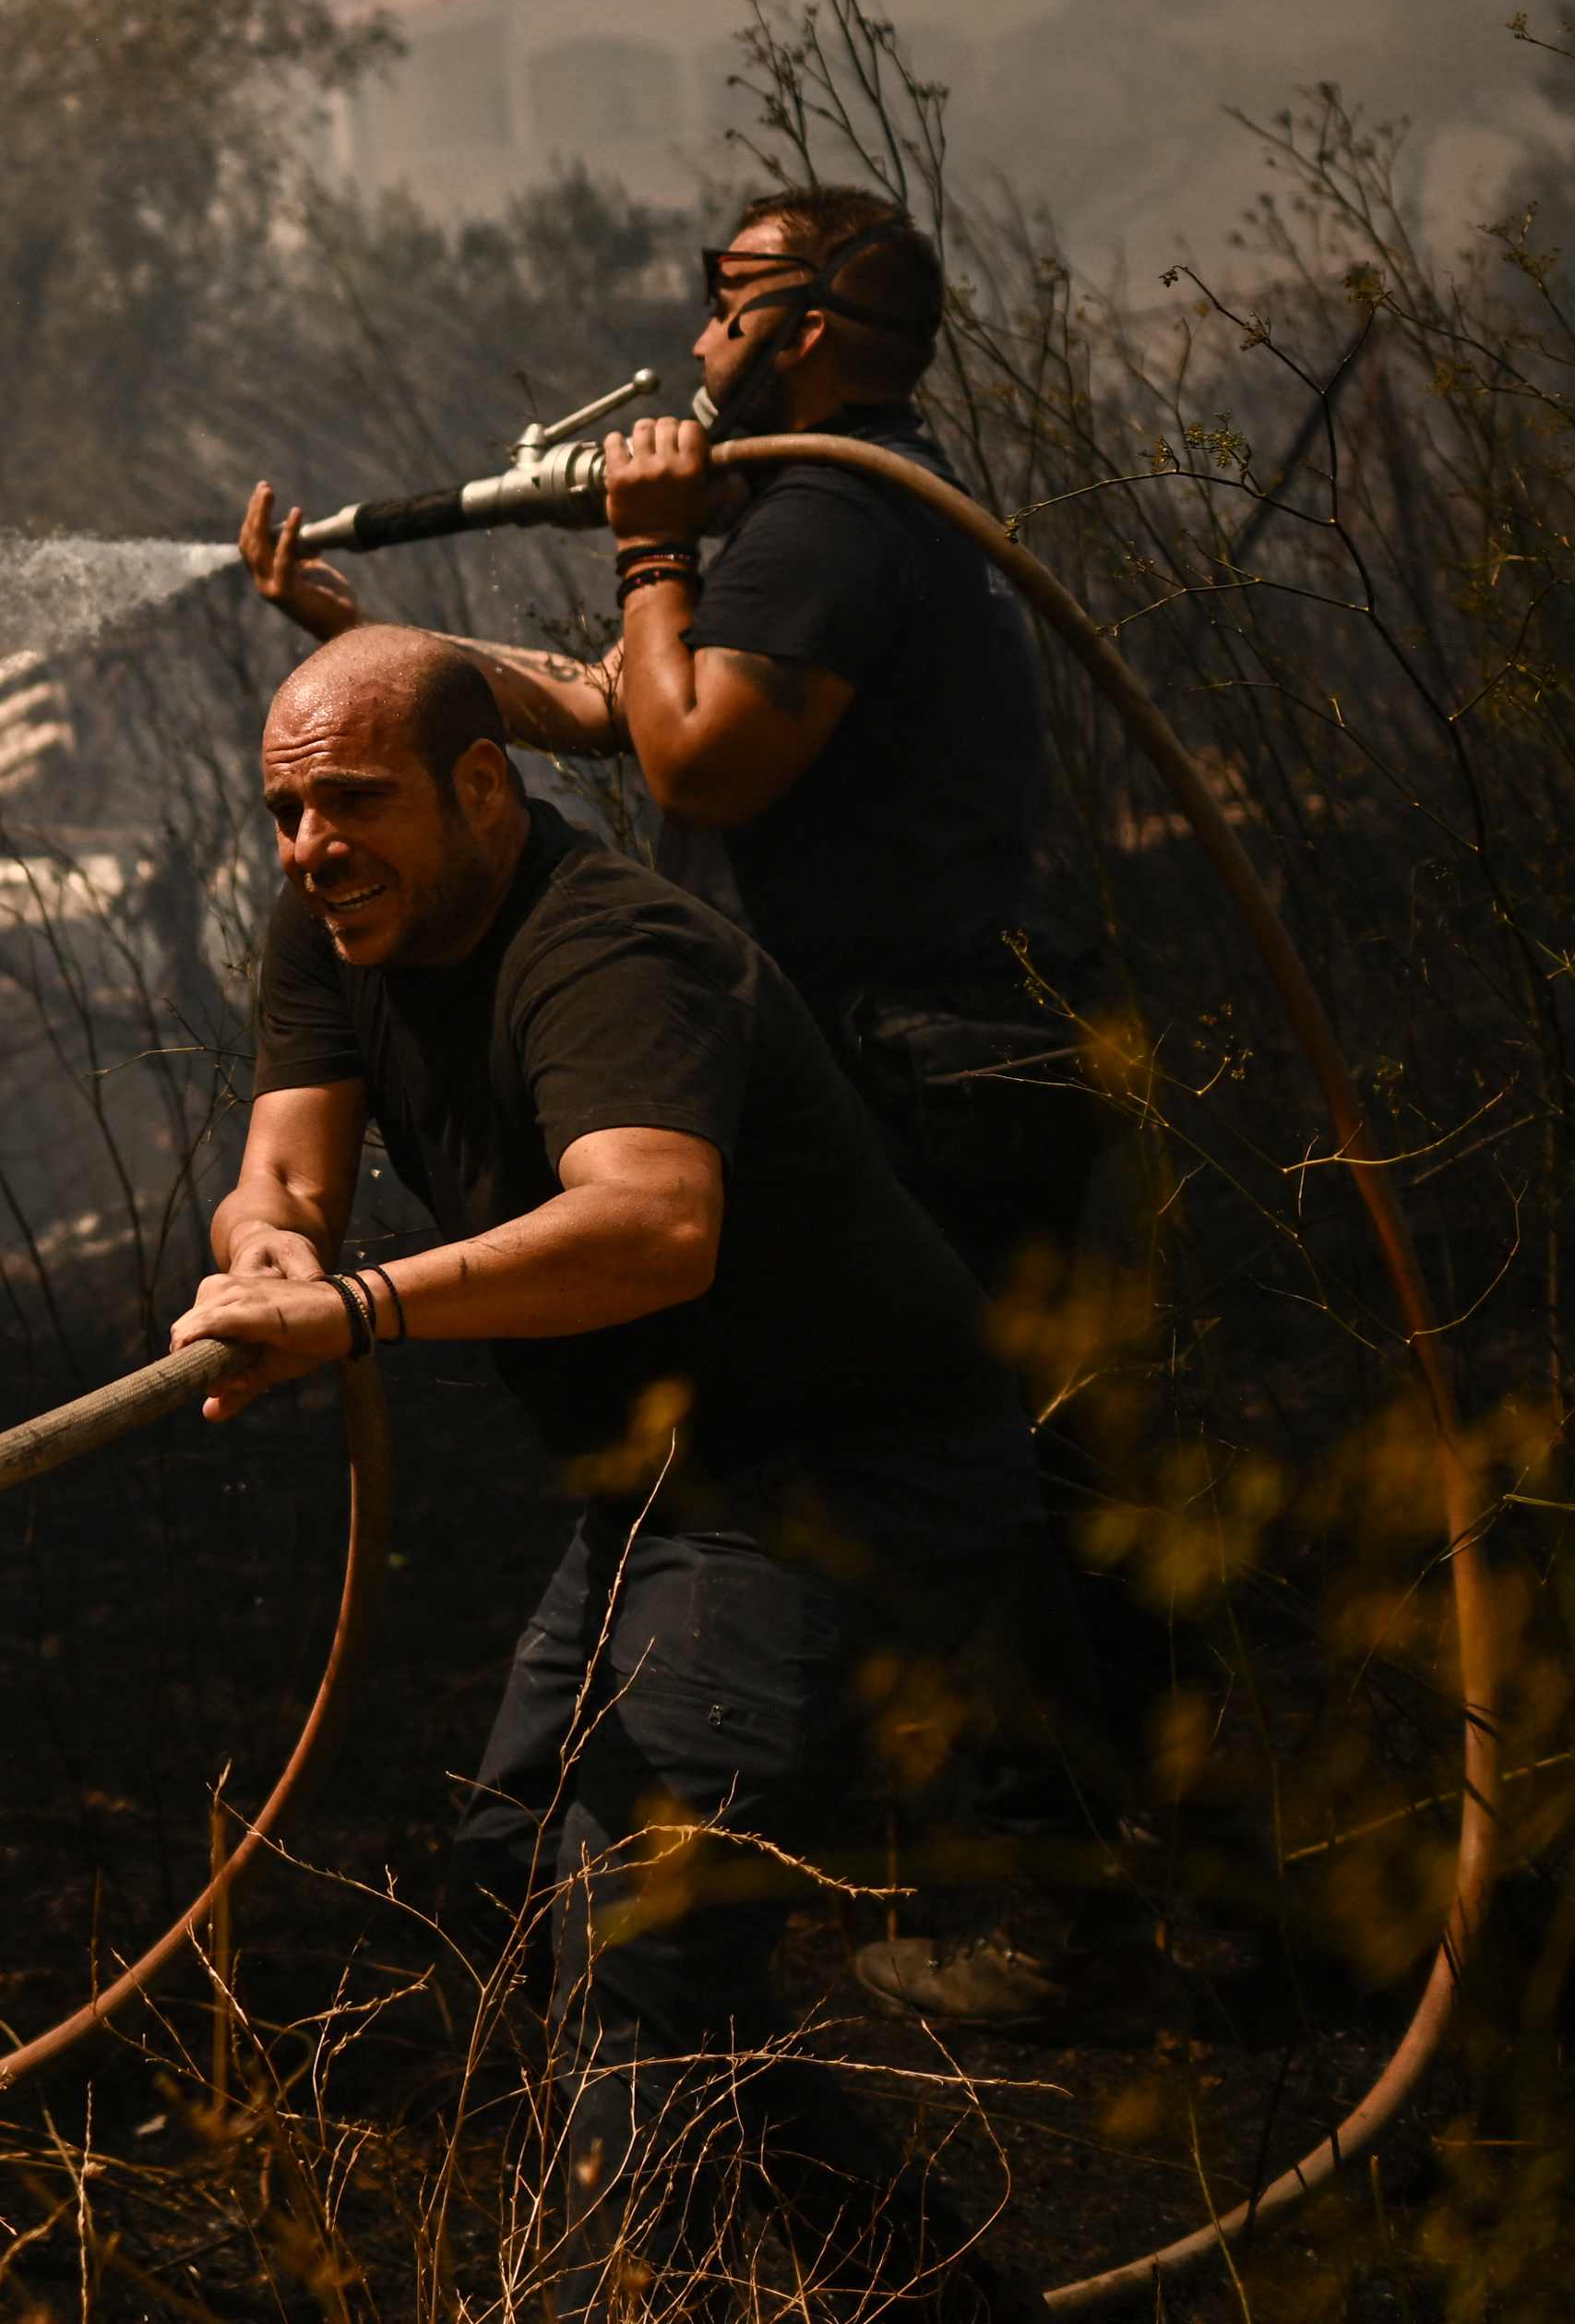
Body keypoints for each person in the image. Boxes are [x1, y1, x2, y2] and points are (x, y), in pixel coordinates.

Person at [240, 189, 1161, 2023]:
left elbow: (698, 754)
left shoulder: (817, 513)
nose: (700, 327)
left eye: (730, 294)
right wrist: (378, 656)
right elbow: (600, 708)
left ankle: (1060, 1914)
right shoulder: (848, 506)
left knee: (964, 1482)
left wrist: (655, 544)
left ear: (811, 322)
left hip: (923, 1059)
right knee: (976, 1480)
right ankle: (1013, 1876)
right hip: (933, 1043)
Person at [174, 631, 1037, 2314]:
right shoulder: (335, 918)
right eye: (286, 810)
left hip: (842, 1470)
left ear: (482, 784)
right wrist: (271, 1250)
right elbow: (284, 1168)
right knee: (522, 1893)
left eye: (351, 801)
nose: (308, 846)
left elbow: (655, 1224)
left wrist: (354, 1314)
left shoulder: (613, 951)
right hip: (668, 1482)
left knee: (640, 1936)